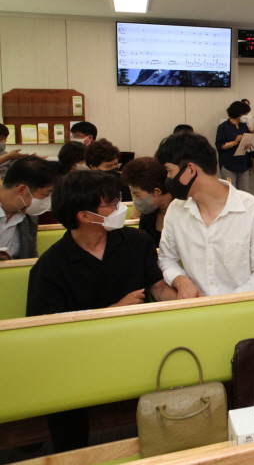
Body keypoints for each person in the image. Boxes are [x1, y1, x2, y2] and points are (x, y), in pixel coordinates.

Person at [25, 170, 175, 453]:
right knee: (61, 390)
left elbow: (157, 288)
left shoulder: (136, 242)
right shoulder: (51, 267)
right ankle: (72, 456)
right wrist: (113, 310)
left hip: (137, 342)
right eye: (112, 204)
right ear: (85, 215)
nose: (121, 208)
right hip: (77, 355)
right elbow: (45, 331)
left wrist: (192, 298)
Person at [155, 131, 254, 297]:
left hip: (240, 306)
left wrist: (225, 305)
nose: (168, 179)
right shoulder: (176, 209)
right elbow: (167, 258)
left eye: (169, 171)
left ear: (190, 170)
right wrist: (180, 280)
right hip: (196, 306)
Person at [0, 156, 59, 260]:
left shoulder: (29, 218)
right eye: (45, 195)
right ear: (22, 190)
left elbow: (30, 259)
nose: (47, 200)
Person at [121, 157, 172, 247]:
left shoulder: (183, 215)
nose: (135, 200)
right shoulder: (147, 217)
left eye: (137, 195)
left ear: (156, 192)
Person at [215, 100, 253, 192]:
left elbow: (246, 139)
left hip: (243, 162)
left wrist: (247, 144)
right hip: (229, 163)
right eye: (245, 114)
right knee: (230, 190)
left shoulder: (244, 126)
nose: (247, 116)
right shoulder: (223, 127)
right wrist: (235, 142)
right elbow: (220, 145)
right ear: (239, 114)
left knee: (244, 191)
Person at [85, 138, 131, 202]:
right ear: (92, 166)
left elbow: (127, 201)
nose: (113, 168)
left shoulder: (120, 179)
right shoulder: (85, 184)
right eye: (108, 166)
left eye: (116, 164)